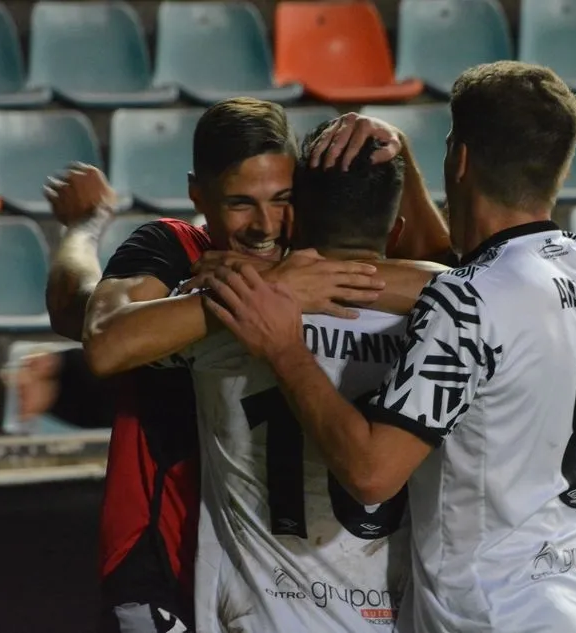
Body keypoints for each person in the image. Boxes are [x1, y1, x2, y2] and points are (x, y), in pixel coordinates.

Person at [200, 62, 576, 633]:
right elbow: (503, 319)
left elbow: (370, 474)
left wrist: (285, 348)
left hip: (490, 616)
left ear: (462, 160)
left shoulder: (465, 304)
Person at [42, 100, 391, 633]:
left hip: (273, 588)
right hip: (163, 566)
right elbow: (100, 336)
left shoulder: (315, 263)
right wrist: (85, 229)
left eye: (282, 198)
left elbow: (452, 274)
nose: (264, 224)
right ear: (197, 194)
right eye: (239, 203)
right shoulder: (174, 249)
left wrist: (397, 146)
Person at [160, 125, 426, 631]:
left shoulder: (231, 311)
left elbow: (106, 344)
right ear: (396, 232)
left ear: (295, 221)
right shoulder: (447, 325)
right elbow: (464, 277)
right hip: (393, 618)